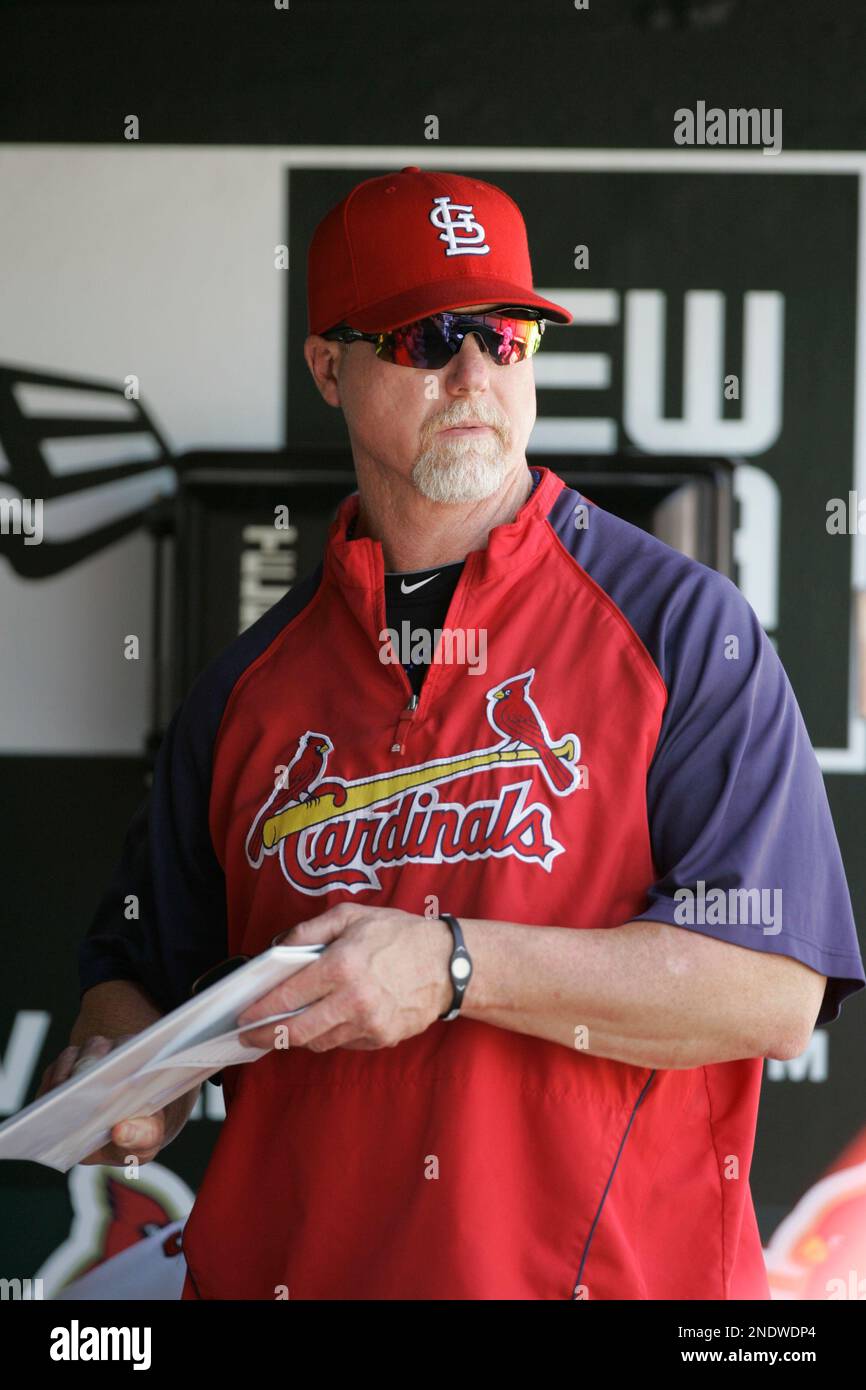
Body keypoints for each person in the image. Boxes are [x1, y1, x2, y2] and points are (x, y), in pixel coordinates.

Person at [43, 166, 864, 1300]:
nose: (475, 373)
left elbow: (772, 990)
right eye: (427, 337)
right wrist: (123, 1082)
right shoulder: (247, 688)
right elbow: (140, 978)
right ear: (330, 366)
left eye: (506, 333)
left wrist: (454, 964)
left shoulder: (679, 627)